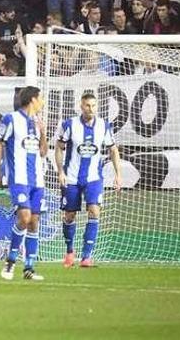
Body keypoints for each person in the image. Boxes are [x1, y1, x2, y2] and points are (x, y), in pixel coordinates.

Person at [55, 92, 123, 268]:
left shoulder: (104, 126)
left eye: (93, 105)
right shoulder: (69, 125)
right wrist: (60, 171)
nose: (90, 109)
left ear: (97, 106)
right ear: (81, 106)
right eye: (87, 105)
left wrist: (118, 174)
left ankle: (86, 256)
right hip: (71, 177)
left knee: (94, 211)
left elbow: (113, 150)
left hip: (94, 178)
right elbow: (59, 148)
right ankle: (70, 251)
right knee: (69, 215)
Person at [0, 86, 48, 281]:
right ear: (32, 99)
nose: (42, 101)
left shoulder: (37, 122)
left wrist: (43, 132)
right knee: (24, 218)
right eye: (40, 98)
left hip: (37, 180)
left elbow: (43, 152)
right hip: (19, 179)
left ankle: (29, 268)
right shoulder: (11, 119)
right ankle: (10, 261)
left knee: (34, 222)